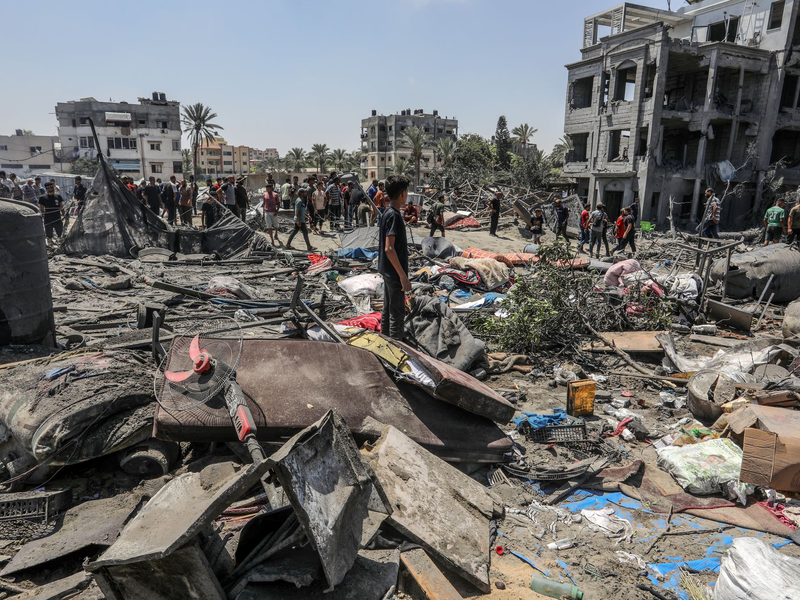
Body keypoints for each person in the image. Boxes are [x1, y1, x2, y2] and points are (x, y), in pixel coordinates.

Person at [378, 175, 412, 340]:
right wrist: (403, 276)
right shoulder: (394, 216)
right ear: (402, 193)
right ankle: (397, 349)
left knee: (388, 309)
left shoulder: (388, 213)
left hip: (388, 271)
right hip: (394, 273)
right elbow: (389, 249)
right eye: (407, 191)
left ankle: (384, 341)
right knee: (397, 313)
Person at [39, 182, 65, 248]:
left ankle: (60, 246)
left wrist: (64, 215)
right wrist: (42, 215)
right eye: (50, 187)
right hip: (48, 218)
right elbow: (41, 208)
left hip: (57, 217)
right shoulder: (42, 197)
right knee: (49, 234)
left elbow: (61, 207)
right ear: (47, 188)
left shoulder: (58, 196)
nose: (52, 189)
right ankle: (50, 246)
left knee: (60, 233)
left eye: (52, 187)